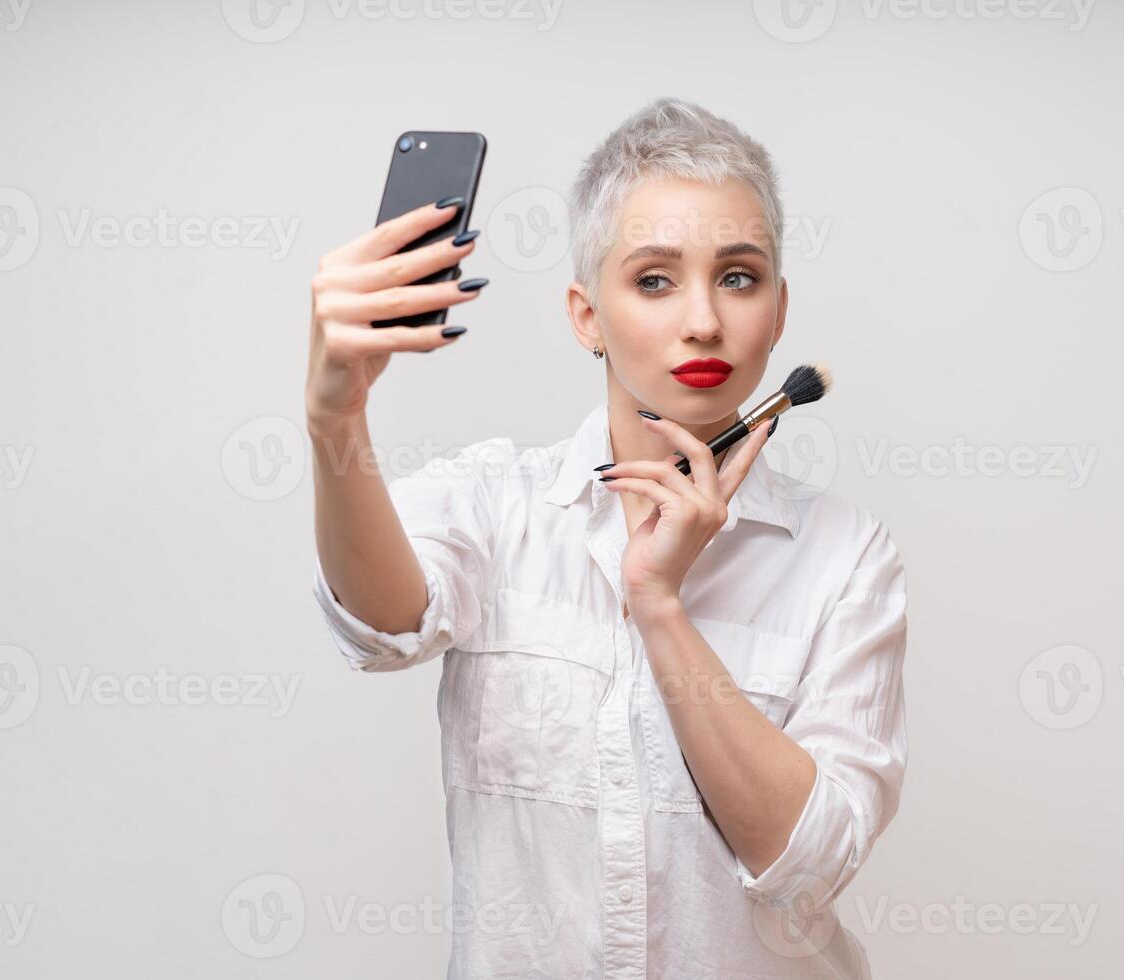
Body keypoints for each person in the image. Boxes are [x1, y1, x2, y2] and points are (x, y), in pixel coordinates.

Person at [305, 96, 908, 979]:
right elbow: (378, 629)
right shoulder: (494, 504)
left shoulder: (845, 554)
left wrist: (657, 603)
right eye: (654, 280)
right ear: (586, 315)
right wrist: (335, 417)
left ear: (779, 311)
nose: (703, 320)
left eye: (738, 277)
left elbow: (804, 863)